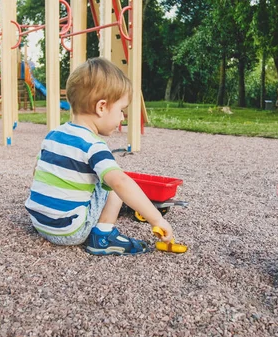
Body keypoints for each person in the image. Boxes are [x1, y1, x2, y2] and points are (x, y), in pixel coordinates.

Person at [24, 57, 175, 256]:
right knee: (113, 182)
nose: (122, 117)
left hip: (39, 223)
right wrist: (157, 219)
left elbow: (38, 171)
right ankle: (103, 235)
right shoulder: (94, 145)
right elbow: (120, 182)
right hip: (70, 230)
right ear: (101, 107)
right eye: (121, 110)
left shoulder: (53, 135)